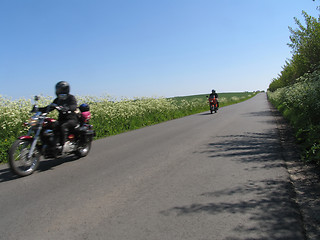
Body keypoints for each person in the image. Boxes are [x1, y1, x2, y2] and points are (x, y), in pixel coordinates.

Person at [40, 81, 79, 152]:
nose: (58, 91)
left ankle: (62, 145)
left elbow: (74, 106)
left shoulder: (71, 97)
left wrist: (68, 108)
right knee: (50, 125)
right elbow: (50, 107)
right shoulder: (57, 99)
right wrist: (40, 109)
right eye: (57, 89)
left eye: (60, 89)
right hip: (61, 119)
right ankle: (52, 145)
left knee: (63, 126)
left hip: (71, 119)